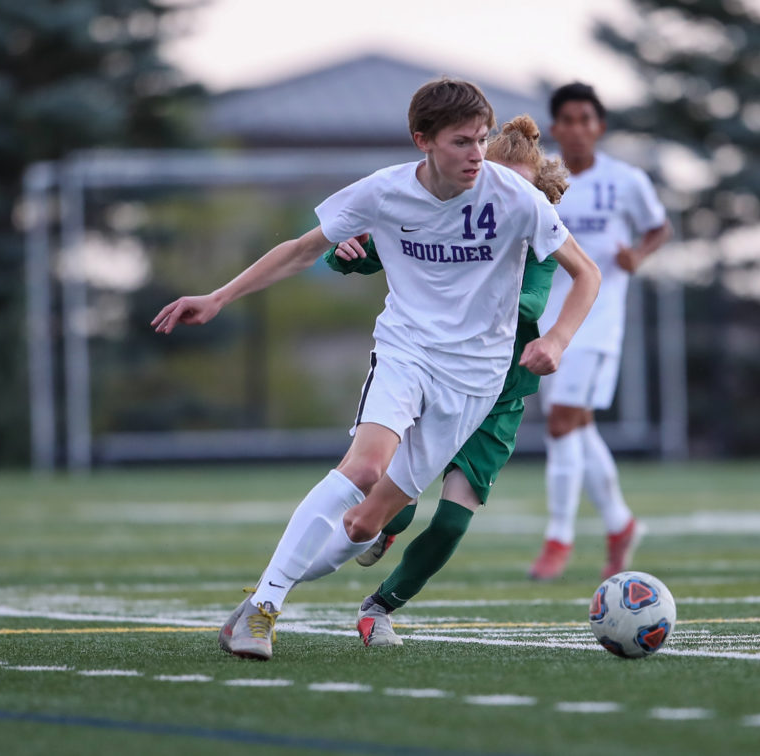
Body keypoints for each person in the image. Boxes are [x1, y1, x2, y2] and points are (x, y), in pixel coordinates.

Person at [152, 78, 600, 661]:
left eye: (481, 139)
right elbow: (302, 249)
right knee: (363, 468)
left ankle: (264, 591)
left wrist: (559, 341)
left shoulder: (517, 200)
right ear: (423, 141)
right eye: (463, 142)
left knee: (365, 526)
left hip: (477, 381)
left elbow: (586, 273)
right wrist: (218, 296)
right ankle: (264, 608)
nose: (476, 154)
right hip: (406, 352)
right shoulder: (383, 192)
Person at [324, 115, 568, 647]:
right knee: (396, 501)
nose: (496, 196)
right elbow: (371, 253)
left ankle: (380, 607)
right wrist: (343, 255)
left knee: (453, 522)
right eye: (489, 178)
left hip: (497, 397)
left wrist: (545, 334)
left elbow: (532, 300)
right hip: (436, 376)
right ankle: (377, 531)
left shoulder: (536, 235)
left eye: (515, 185)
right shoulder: (448, 218)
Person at [528, 82, 672, 582]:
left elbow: (659, 227)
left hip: (598, 322)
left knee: (562, 422)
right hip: (547, 320)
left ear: (599, 126)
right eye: (565, 119)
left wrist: (640, 254)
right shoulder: (540, 178)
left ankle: (559, 537)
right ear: (554, 128)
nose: (575, 128)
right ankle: (620, 524)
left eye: (585, 118)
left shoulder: (625, 179)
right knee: (577, 425)